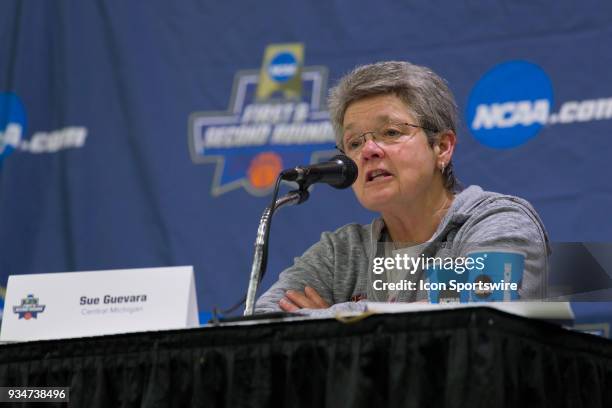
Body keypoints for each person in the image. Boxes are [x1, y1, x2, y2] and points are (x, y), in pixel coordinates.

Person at [255, 61, 549, 313]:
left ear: (442, 147)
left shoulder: (497, 221)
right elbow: (263, 323)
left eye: (391, 132)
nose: (368, 150)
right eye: (354, 142)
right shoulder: (340, 252)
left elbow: (479, 307)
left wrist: (335, 320)